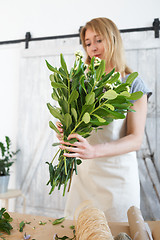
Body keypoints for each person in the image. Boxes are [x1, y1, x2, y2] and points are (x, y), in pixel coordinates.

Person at [57, 17, 152, 222]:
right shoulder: (80, 81)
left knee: (117, 231)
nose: (93, 47)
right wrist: (67, 130)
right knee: (78, 229)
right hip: (85, 178)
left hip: (117, 181)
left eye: (98, 40)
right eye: (88, 43)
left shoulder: (132, 83)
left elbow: (135, 139)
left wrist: (94, 151)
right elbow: (81, 129)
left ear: (113, 39)